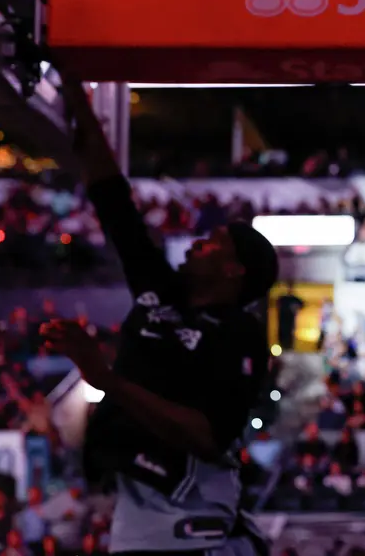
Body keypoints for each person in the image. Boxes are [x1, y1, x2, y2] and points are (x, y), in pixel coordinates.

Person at [40, 76, 277, 555]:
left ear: (233, 270)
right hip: (140, 508)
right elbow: (111, 194)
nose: (195, 243)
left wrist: (107, 377)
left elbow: (206, 436)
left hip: (194, 517)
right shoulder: (159, 289)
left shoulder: (240, 334)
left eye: (211, 242)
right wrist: (72, 86)